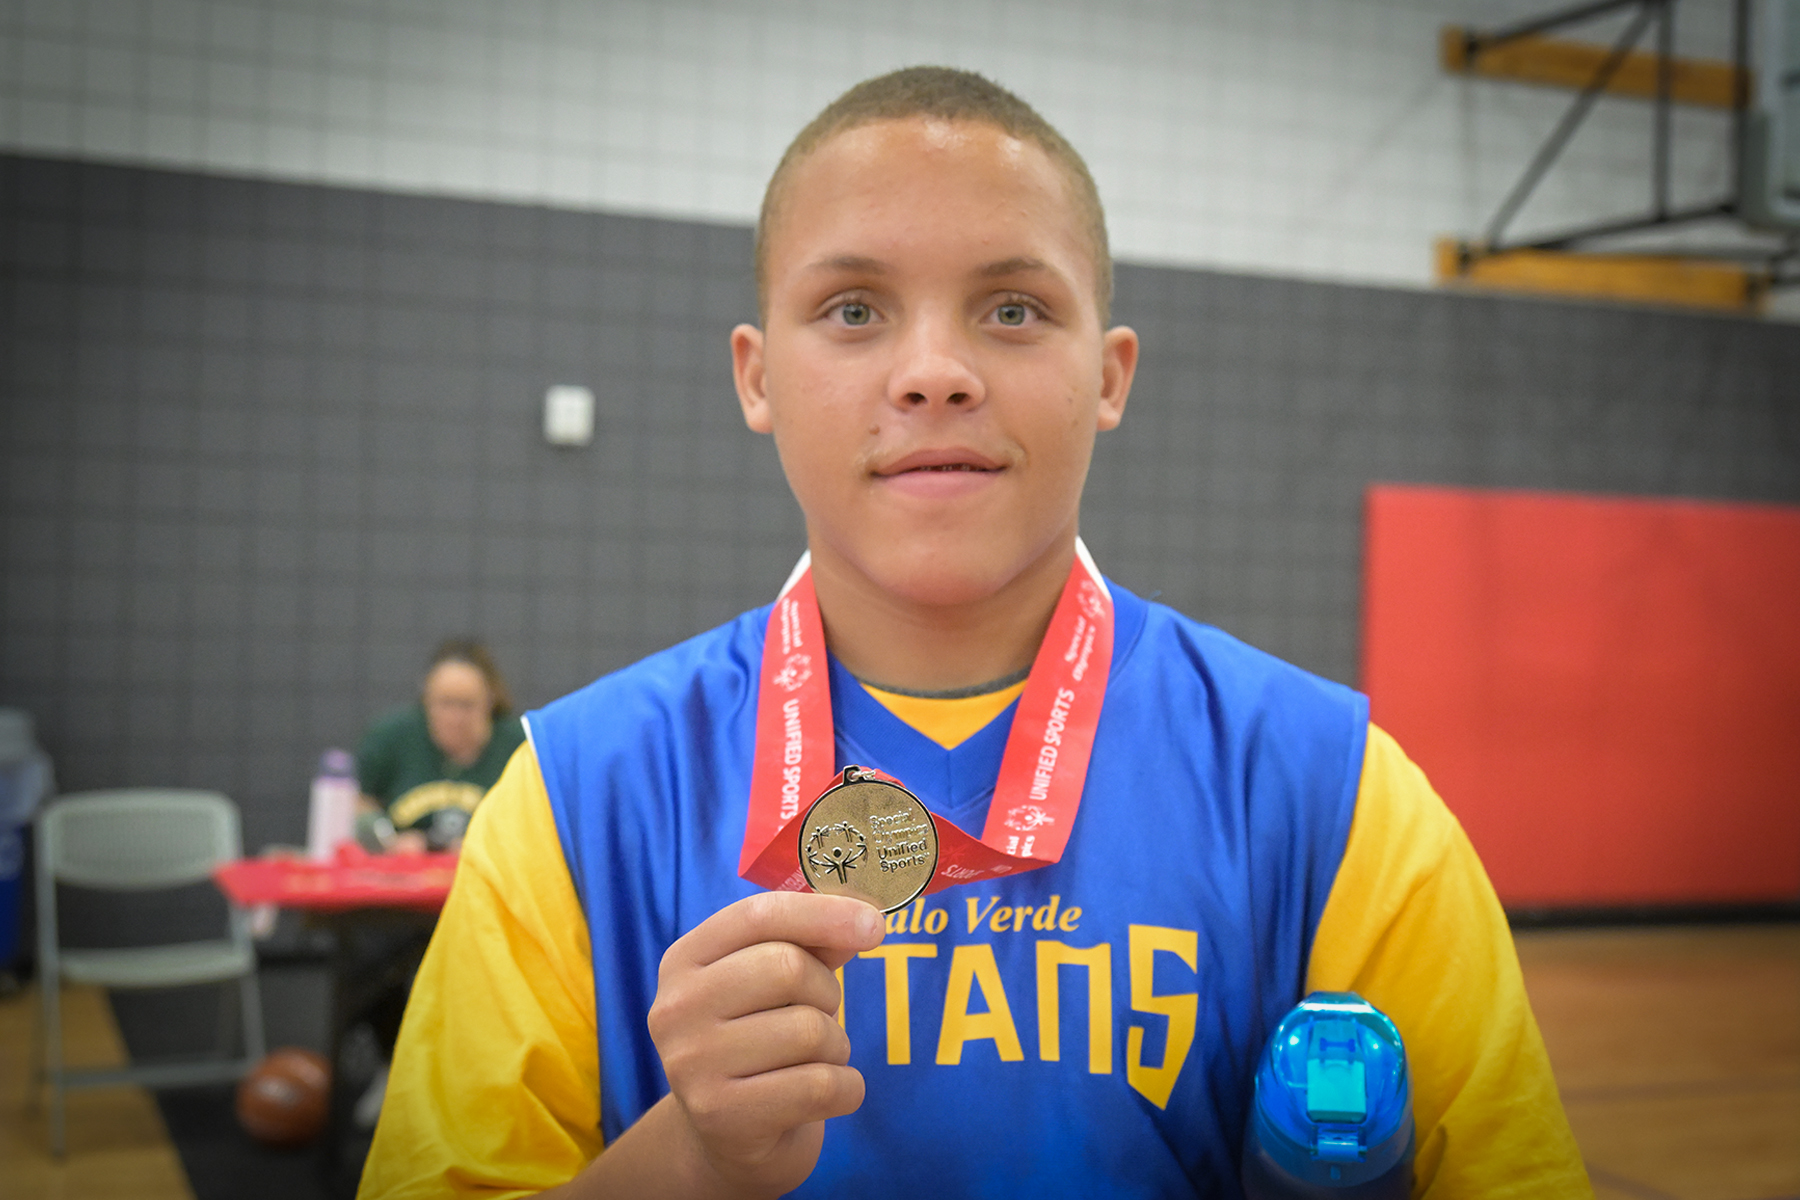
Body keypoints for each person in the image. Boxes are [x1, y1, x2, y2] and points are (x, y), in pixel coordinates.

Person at [360, 68, 1591, 1198]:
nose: (934, 372)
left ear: (1109, 376)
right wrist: (688, 1157)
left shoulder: (1328, 790)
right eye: (853, 309)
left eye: (1011, 308)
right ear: (756, 377)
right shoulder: (578, 799)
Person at [356, 638, 526, 853]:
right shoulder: (390, 737)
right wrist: (388, 841)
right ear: (426, 699)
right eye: (445, 703)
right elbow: (359, 804)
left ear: (490, 700)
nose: (455, 717)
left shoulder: (518, 746)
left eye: (467, 705)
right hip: (404, 873)